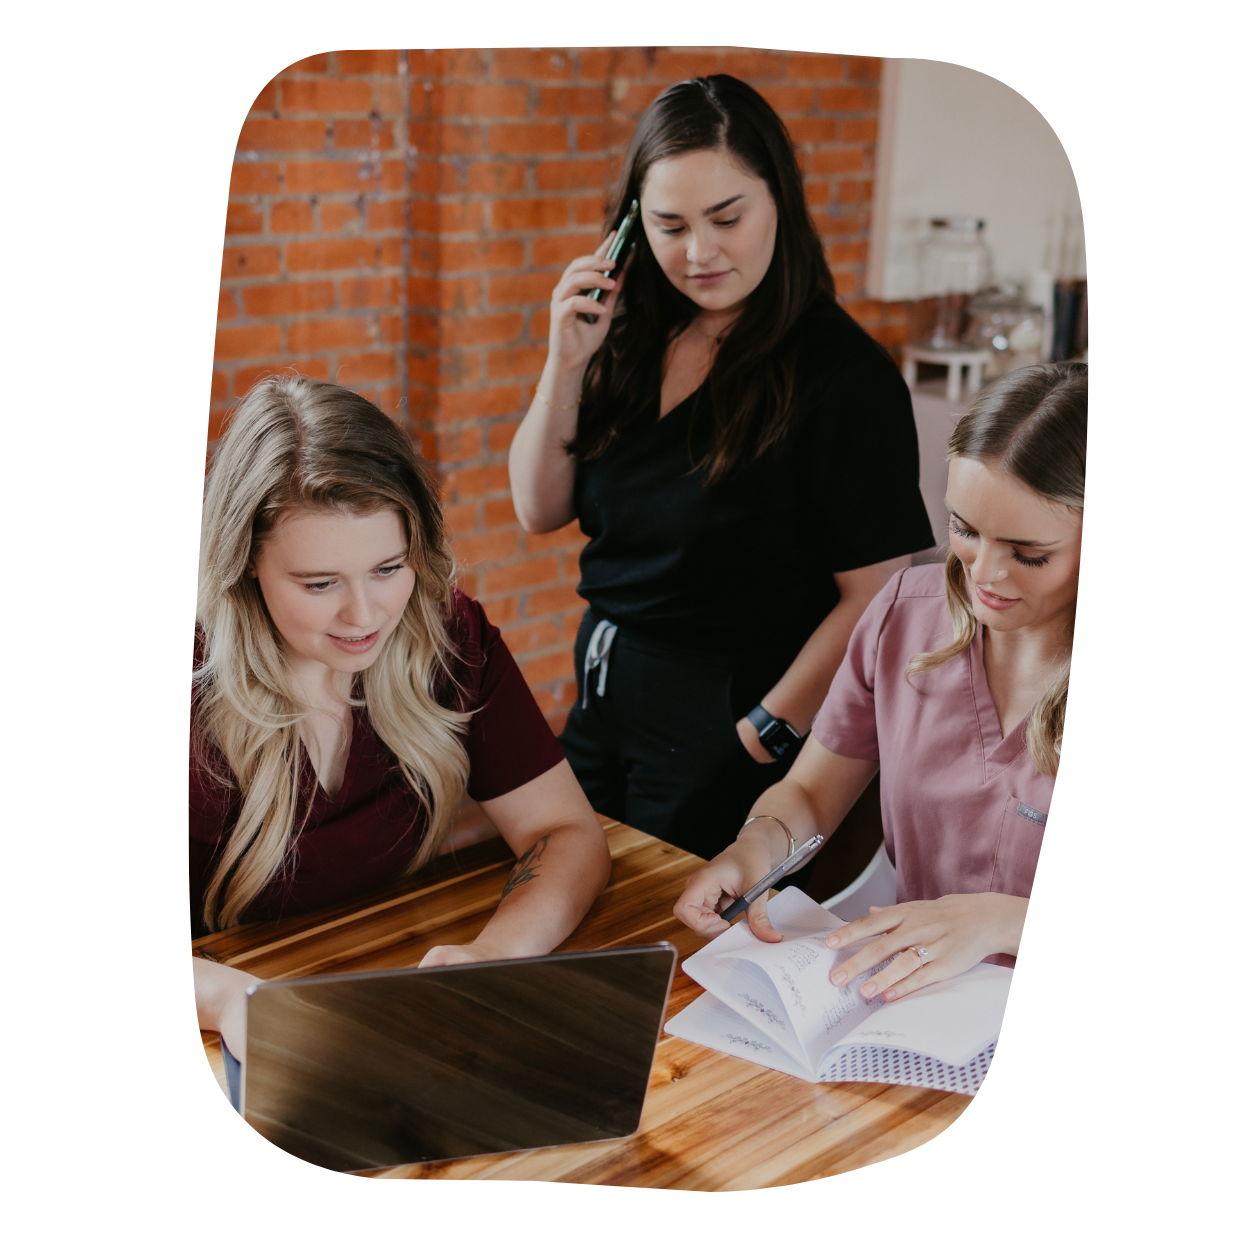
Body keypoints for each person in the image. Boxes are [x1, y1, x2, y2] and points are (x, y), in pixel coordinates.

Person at [508, 75, 934, 864]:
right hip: (603, 691)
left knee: (668, 942)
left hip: (733, 716)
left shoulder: (844, 376)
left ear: (781, 200)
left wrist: (767, 730)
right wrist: (564, 364)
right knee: (565, 904)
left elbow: (879, 592)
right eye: (669, 225)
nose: (699, 253)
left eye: (727, 218)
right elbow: (538, 509)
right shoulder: (629, 337)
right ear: (633, 228)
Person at [191, 376, 612, 1065]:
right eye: (320, 584)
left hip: (382, 1001)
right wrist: (227, 1001)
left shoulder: (448, 636)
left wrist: (495, 954)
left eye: (389, 567)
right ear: (245, 568)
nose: (365, 617)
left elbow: (565, 831)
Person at [673, 362, 1087, 1003]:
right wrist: (757, 850)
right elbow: (810, 794)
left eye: (1029, 554)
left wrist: (1010, 922)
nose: (984, 575)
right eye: (965, 531)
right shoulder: (905, 615)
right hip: (916, 1008)